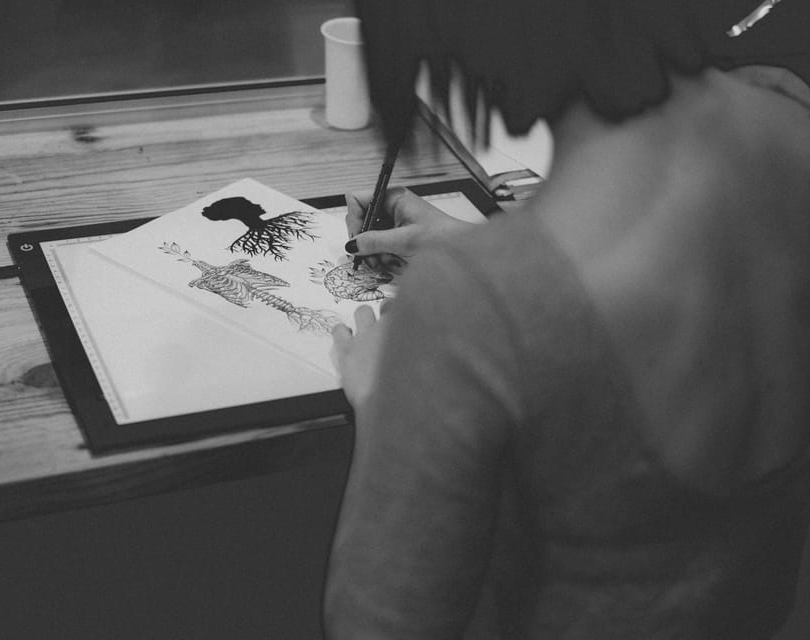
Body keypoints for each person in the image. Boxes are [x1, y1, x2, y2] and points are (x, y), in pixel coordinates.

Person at [321, 1, 810, 638]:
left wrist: (393, 405)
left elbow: (375, 629)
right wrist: (498, 254)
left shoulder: (468, 308)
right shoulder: (788, 114)